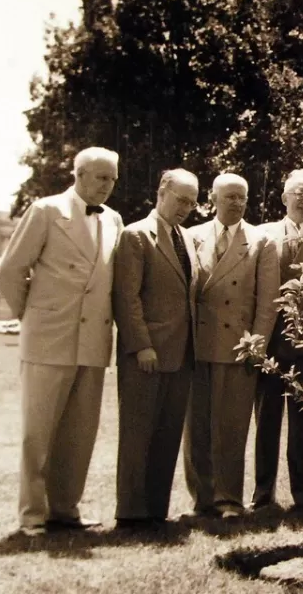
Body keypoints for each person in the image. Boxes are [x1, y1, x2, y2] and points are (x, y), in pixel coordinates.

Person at [0, 146, 123, 536]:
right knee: (38, 433)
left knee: (80, 432)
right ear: (79, 174)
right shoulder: (47, 211)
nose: (108, 186)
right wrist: (33, 315)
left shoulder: (115, 220)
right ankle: (33, 515)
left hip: (92, 341)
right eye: (101, 177)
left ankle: (66, 509)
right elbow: (10, 270)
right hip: (49, 339)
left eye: (113, 179)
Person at [183, 173, 279, 519]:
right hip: (197, 345)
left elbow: (268, 302)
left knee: (232, 426)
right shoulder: (191, 236)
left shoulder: (261, 241)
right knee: (196, 427)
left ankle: (228, 499)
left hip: (238, 346)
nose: (237, 202)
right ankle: (201, 498)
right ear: (213, 199)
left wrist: (257, 344)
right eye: (230, 197)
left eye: (242, 197)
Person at [112, 168, 199, 530]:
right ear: (162, 191)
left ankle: (156, 511)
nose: (186, 209)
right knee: (138, 434)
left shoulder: (187, 238)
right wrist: (141, 345)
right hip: (146, 354)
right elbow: (126, 297)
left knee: (167, 434)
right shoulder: (135, 235)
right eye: (181, 200)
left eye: (192, 203)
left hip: (181, 354)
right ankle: (131, 514)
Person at [253, 169, 303, 511]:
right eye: (296, 194)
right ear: (283, 198)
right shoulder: (262, 236)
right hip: (271, 347)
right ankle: (263, 493)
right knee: (266, 423)